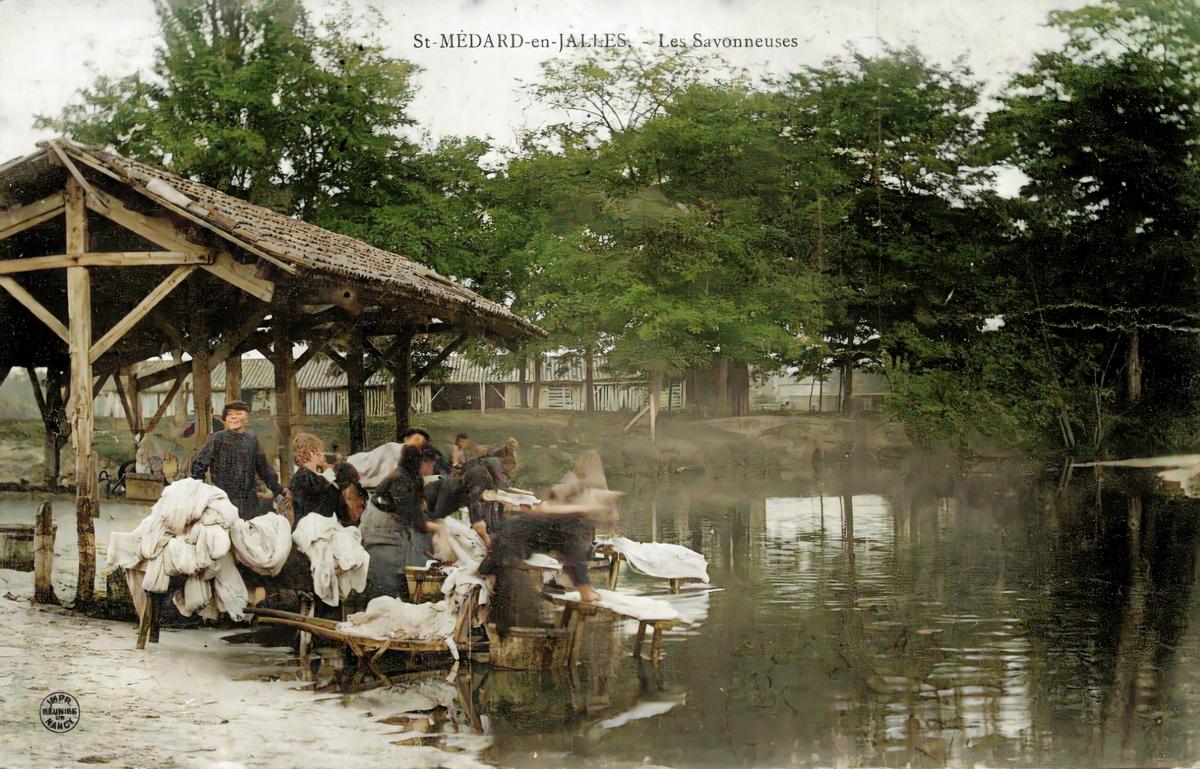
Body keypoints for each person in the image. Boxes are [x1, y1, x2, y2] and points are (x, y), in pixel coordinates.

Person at [360, 445, 441, 600]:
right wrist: (441, 529)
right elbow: (415, 519)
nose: (431, 469)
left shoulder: (404, 477)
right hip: (383, 543)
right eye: (430, 465)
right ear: (422, 463)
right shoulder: (401, 480)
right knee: (388, 595)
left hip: (387, 540)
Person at [190, 400, 283, 519]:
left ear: (247, 418)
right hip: (223, 499)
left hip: (249, 502)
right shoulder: (217, 438)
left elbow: (264, 469)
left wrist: (278, 491)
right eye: (229, 414)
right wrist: (198, 493)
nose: (233, 417)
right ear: (225, 419)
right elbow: (199, 465)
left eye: (238, 413)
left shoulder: (251, 440)